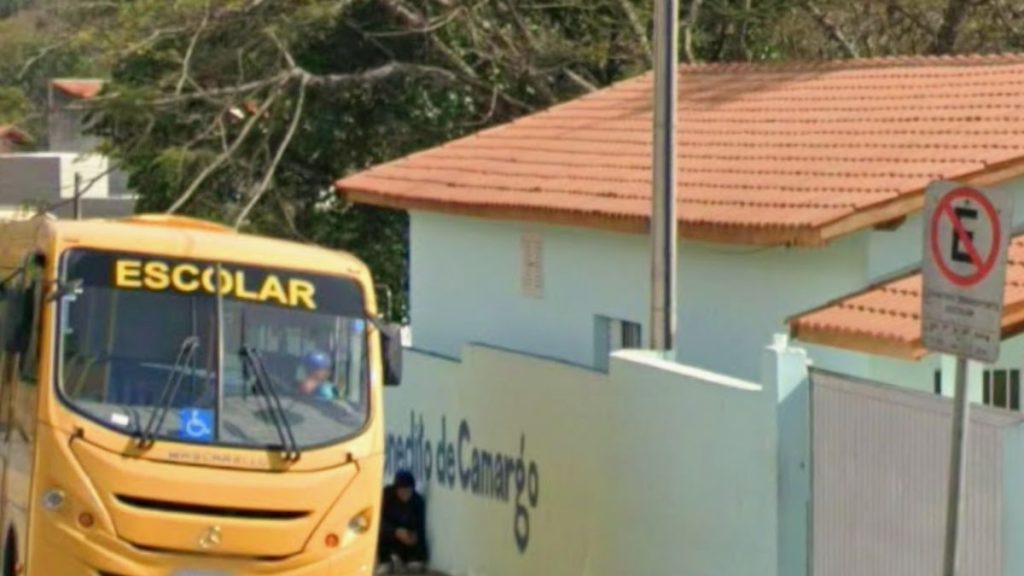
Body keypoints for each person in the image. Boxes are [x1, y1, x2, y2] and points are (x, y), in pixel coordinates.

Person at [377, 470, 427, 574]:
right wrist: (394, 531)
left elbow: (420, 529)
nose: (405, 494)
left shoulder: (417, 502)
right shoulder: (386, 496)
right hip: (389, 534)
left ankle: (408, 561)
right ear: (396, 489)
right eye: (401, 491)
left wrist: (413, 537)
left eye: (408, 491)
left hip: (406, 538)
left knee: (415, 561)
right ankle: (386, 561)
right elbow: (377, 521)